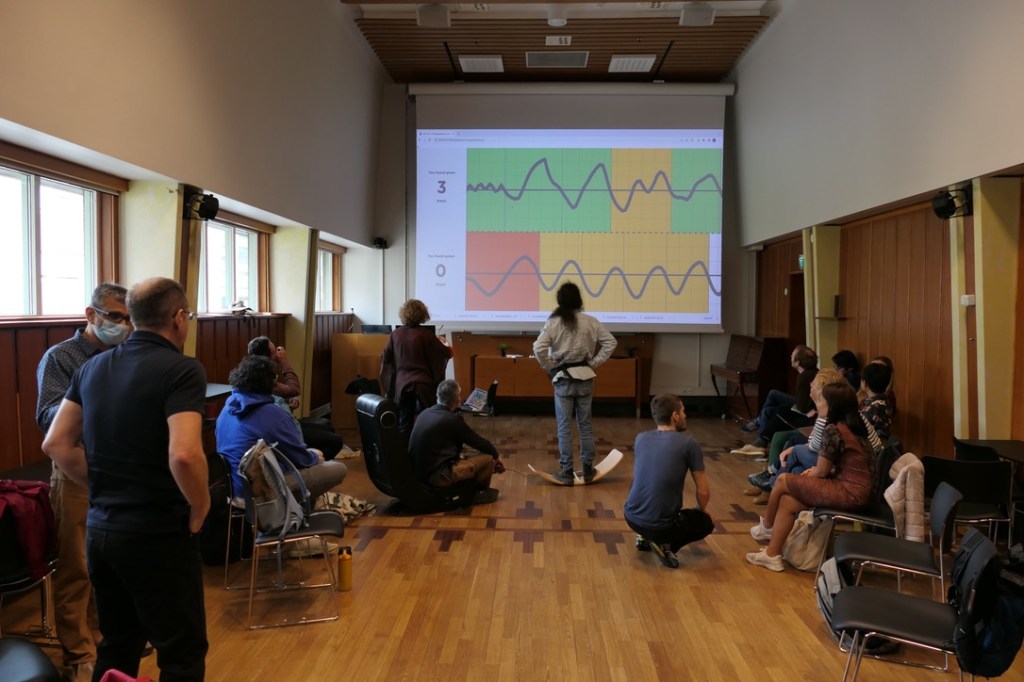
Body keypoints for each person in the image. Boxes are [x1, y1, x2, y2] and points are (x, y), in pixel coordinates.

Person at [42, 277, 211, 681]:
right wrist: (202, 504)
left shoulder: (93, 368)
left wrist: (101, 483)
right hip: (157, 533)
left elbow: (56, 443)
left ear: (134, 319)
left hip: (103, 532)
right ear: (178, 318)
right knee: (181, 652)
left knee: (118, 643)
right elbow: (185, 454)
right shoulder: (182, 370)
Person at [35, 282, 130, 682]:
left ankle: (108, 637)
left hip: (122, 469)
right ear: (91, 315)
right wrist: (96, 402)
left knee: (112, 563)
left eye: (128, 319)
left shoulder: (128, 354)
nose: (123, 326)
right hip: (76, 467)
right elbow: (48, 416)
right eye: (115, 317)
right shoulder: (62, 357)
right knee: (77, 565)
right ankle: (78, 653)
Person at [746, 382, 874, 572]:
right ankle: (772, 555)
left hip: (848, 492)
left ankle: (767, 526)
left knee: (783, 480)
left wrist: (811, 473)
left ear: (832, 405)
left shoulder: (834, 429)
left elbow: (821, 471)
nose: (818, 402)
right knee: (788, 501)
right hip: (859, 492)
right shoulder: (855, 426)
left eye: (822, 399)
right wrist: (813, 473)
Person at [216, 355, 348, 500]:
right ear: (270, 383)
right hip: (259, 492)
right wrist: (315, 456)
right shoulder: (272, 413)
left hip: (234, 488)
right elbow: (301, 459)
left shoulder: (228, 408)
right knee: (338, 468)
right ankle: (298, 507)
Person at [532, 281, 617, 484]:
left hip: (563, 380)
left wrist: (549, 367)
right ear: (579, 300)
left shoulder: (553, 323)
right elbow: (611, 342)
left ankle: (566, 470)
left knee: (564, 427)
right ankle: (588, 469)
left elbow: (538, 348)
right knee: (585, 424)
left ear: (560, 301)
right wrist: (594, 362)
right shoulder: (591, 321)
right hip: (586, 377)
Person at [624, 394, 714, 569]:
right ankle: (664, 545)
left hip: (631, 517)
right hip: (660, 527)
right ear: (675, 416)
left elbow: (639, 479)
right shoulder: (689, 444)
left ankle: (644, 536)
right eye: (683, 411)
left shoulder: (640, 438)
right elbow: (703, 491)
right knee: (706, 523)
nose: (685, 416)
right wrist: (702, 511)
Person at [248, 335, 349, 458]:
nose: (278, 354)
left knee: (328, 428)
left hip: (278, 423)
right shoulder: (262, 378)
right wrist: (285, 362)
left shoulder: (251, 373)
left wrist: (288, 402)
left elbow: (276, 400)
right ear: (268, 358)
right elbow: (294, 389)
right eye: (275, 352)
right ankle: (308, 462)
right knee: (335, 440)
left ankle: (314, 459)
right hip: (280, 430)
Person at [408, 380, 505, 504]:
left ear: (438, 396)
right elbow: (477, 441)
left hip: (418, 473)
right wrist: (496, 455)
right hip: (436, 477)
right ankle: (478, 493)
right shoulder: (452, 420)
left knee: (471, 455)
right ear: (456, 400)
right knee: (487, 458)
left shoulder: (425, 413)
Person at [379, 299, 453, 440]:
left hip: (402, 386)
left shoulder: (395, 334)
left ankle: (404, 456)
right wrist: (446, 344)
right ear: (422, 314)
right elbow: (446, 354)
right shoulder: (426, 335)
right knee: (428, 421)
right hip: (424, 386)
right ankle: (424, 452)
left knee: (404, 423)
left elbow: (386, 359)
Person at [733, 345, 818, 454]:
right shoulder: (813, 373)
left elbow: (802, 406)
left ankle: (759, 438)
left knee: (773, 407)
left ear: (797, 362)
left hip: (809, 415)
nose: (790, 356)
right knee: (769, 409)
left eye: (792, 356)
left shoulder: (804, 377)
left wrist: (806, 409)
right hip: (808, 410)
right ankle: (759, 440)